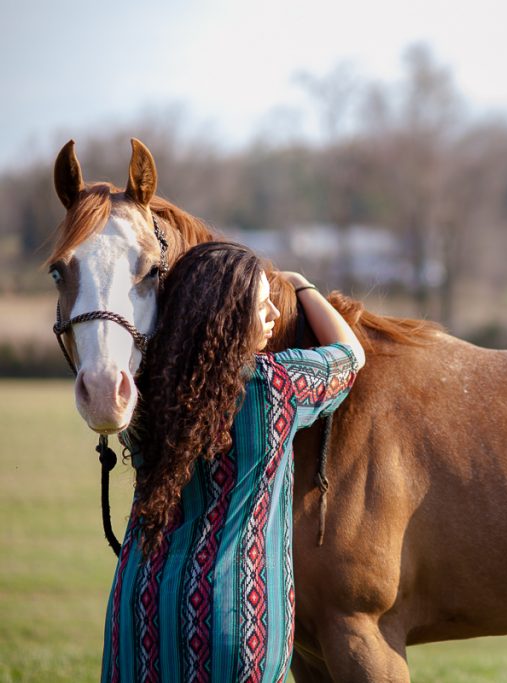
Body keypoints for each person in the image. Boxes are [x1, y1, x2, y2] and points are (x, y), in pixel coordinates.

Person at [100, 241, 364, 682]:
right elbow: (349, 354)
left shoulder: (145, 394)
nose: (274, 316)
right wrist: (302, 287)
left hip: (141, 609)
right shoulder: (276, 387)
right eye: (260, 306)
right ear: (227, 316)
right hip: (236, 616)